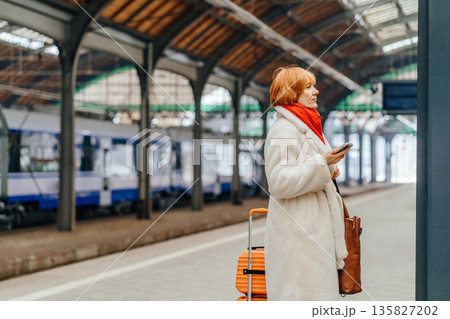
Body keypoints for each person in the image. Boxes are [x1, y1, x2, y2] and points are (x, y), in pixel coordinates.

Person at [264, 66, 349, 300]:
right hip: (299, 237)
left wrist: (327, 169)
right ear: (292, 92)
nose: (317, 91)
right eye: (308, 87)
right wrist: (321, 164)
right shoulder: (284, 130)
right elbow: (279, 182)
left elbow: (305, 169)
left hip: (309, 234)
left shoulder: (307, 127)